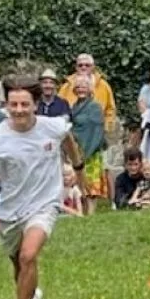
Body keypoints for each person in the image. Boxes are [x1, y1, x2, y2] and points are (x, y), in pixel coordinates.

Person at [0, 77, 84, 299]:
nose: (18, 110)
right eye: (13, 104)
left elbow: (68, 138)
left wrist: (76, 167)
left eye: (24, 104)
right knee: (19, 266)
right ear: (6, 105)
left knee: (29, 255)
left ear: (35, 104)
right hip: (10, 209)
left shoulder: (53, 127)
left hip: (45, 203)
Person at [68, 75, 107, 214]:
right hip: (76, 149)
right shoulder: (74, 106)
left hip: (91, 150)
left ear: (90, 89)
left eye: (84, 86)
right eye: (78, 87)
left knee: (91, 183)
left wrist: (87, 149)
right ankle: (81, 211)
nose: (80, 90)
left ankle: (91, 212)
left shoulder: (95, 107)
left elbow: (97, 129)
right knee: (79, 181)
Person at [58, 53, 118, 135]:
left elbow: (110, 109)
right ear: (76, 67)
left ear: (93, 67)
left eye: (87, 65)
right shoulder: (66, 86)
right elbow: (58, 107)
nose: (83, 67)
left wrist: (106, 128)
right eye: (80, 65)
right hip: (71, 132)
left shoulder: (104, 86)